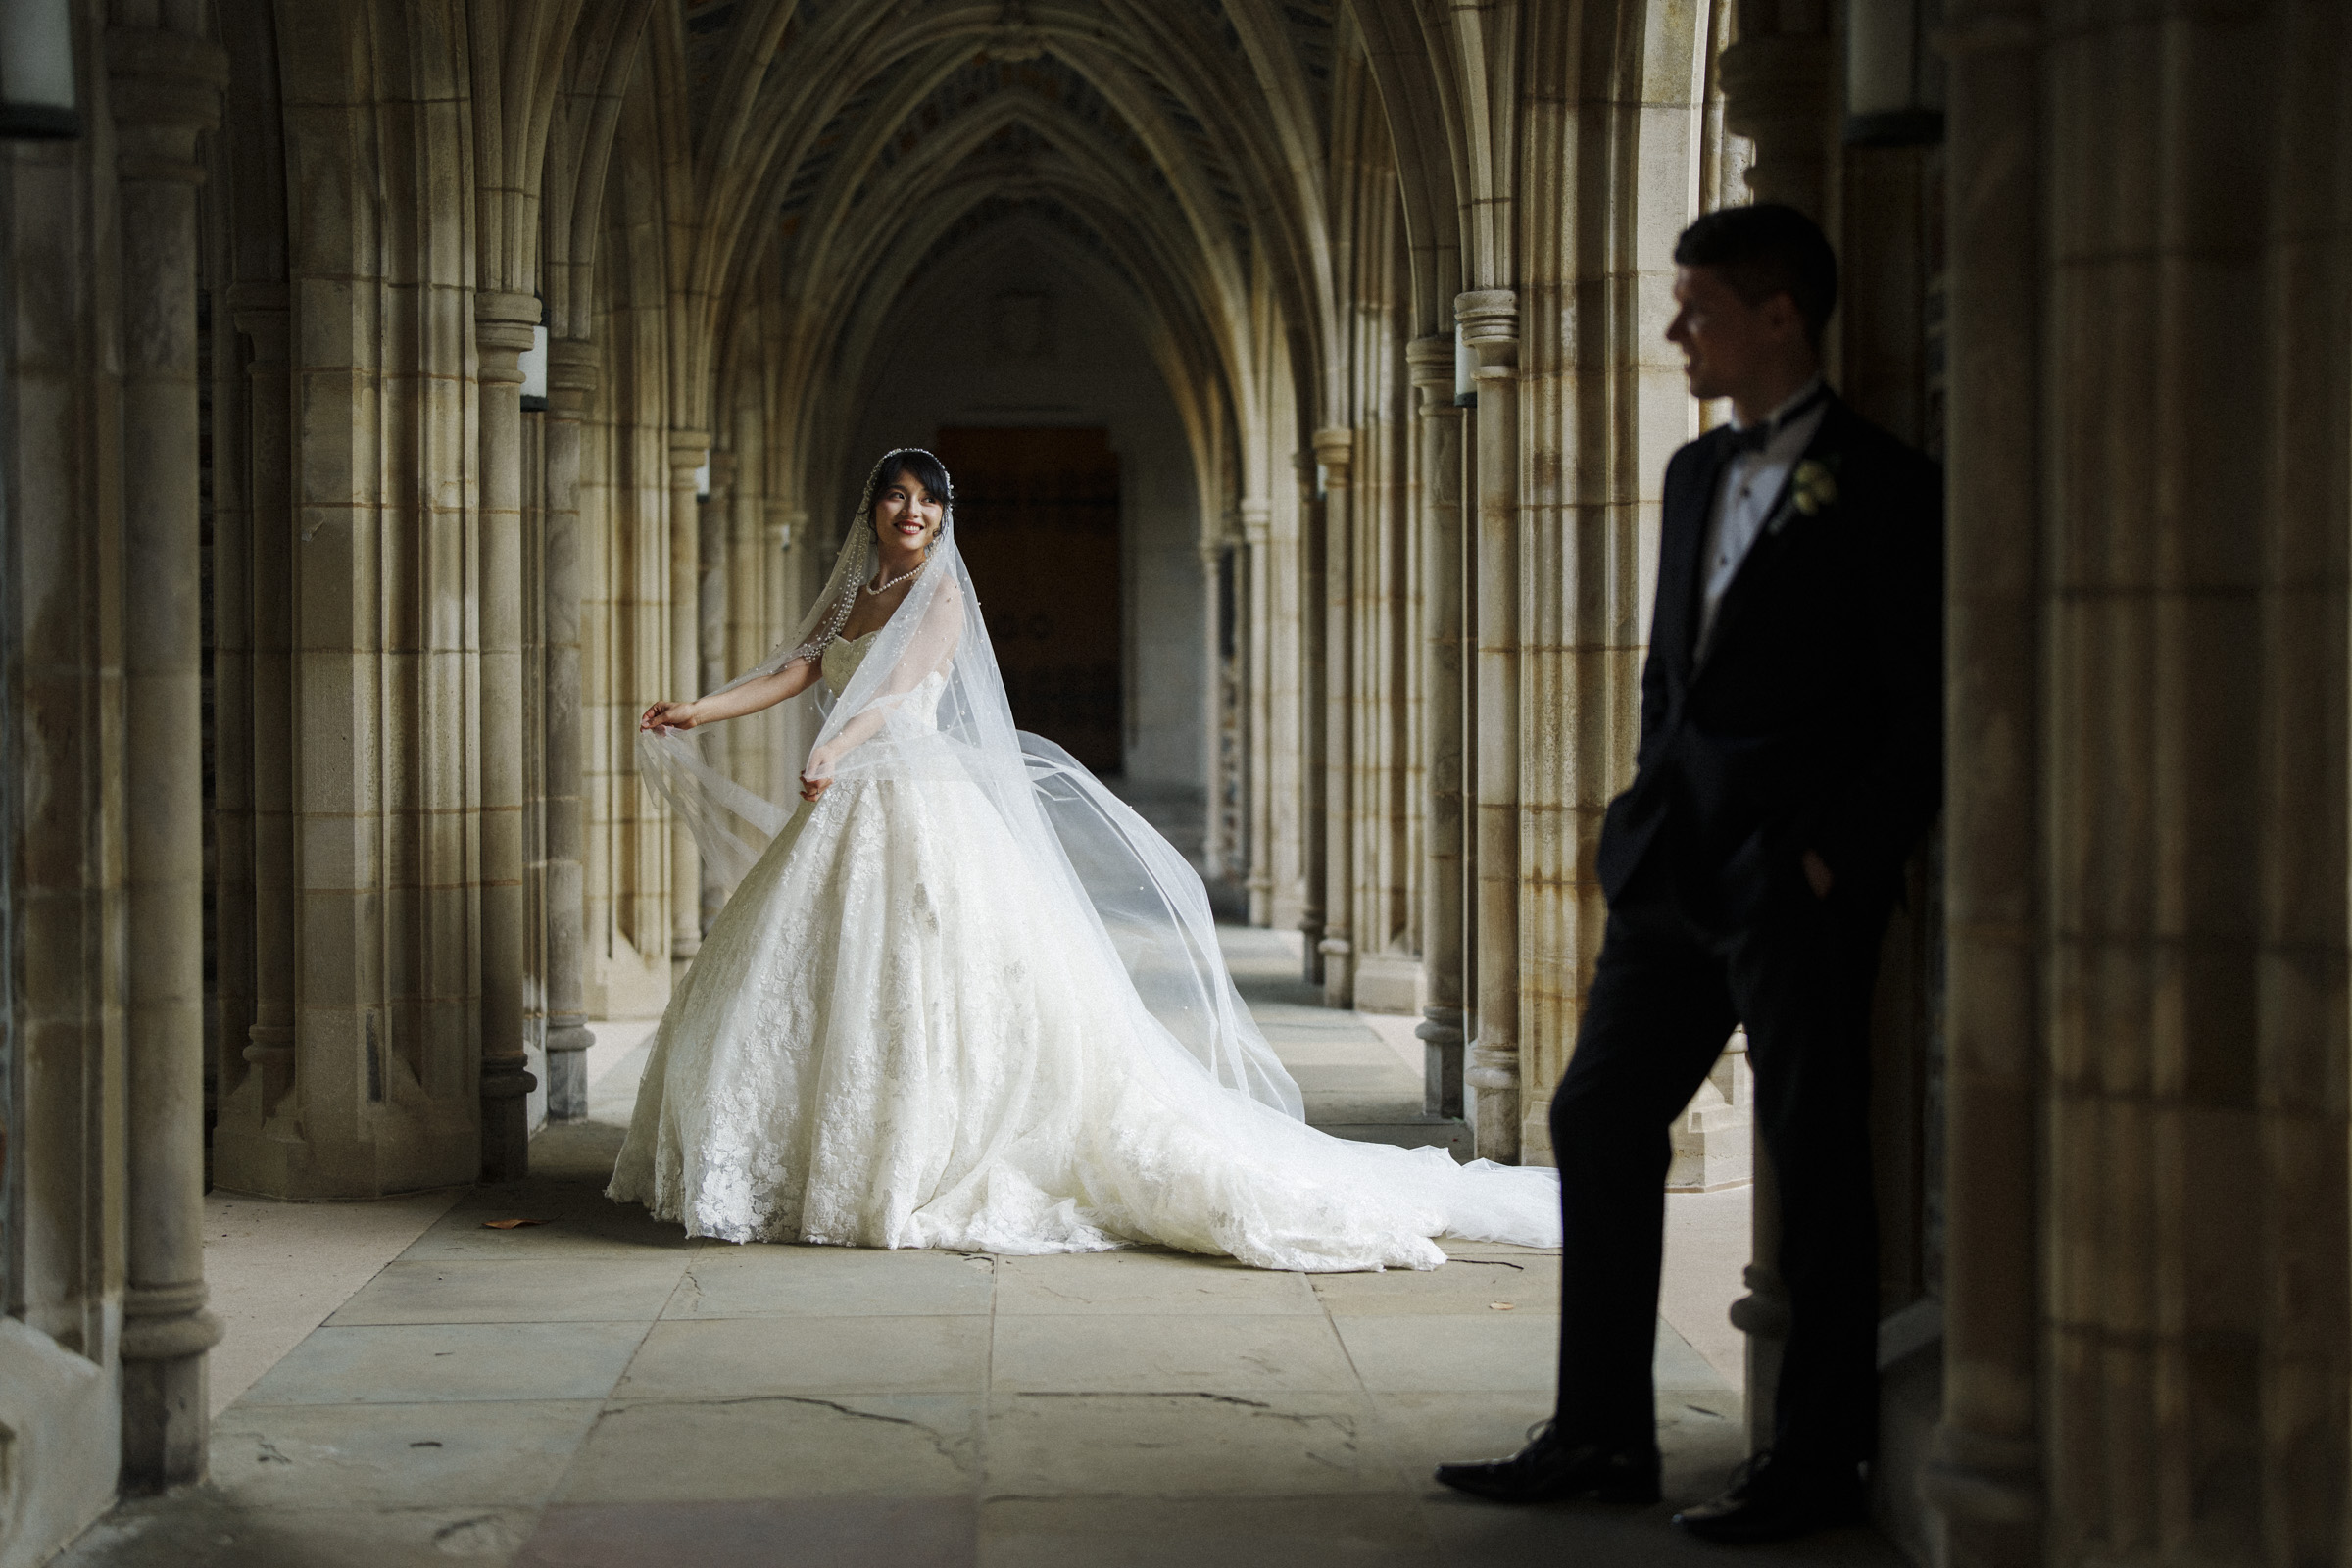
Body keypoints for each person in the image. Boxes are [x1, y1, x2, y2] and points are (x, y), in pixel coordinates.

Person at [608, 447, 1559, 1272]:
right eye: (897, 495)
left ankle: (920, 1157)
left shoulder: (940, 596)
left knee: (927, 976)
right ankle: (812, 1152)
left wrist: (835, 748)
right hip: (845, 803)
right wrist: (698, 709)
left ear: (944, 516)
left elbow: (896, 692)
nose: (911, 511)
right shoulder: (857, 592)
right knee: (814, 979)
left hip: (913, 796)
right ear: (875, 510)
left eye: (927, 499)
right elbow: (798, 668)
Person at [1434, 204, 1943, 1543]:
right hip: (1671, 871)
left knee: (1816, 1159)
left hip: (1795, 879)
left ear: (1781, 318)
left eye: (1699, 308)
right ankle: (1603, 1434)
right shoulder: (1690, 476)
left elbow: (1925, 700)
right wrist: (1640, 812)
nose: (1676, 333)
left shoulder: (1885, 485)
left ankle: (1816, 1465)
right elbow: (1675, 671)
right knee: (1597, 1117)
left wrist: (1838, 856)